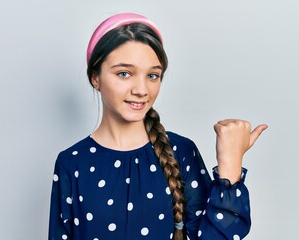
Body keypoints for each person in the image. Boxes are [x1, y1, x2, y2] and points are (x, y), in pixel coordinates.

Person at [48, 13, 268, 240]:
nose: (141, 90)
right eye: (124, 73)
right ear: (96, 77)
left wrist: (230, 165)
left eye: (152, 75)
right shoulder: (72, 162)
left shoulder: (181, 152)